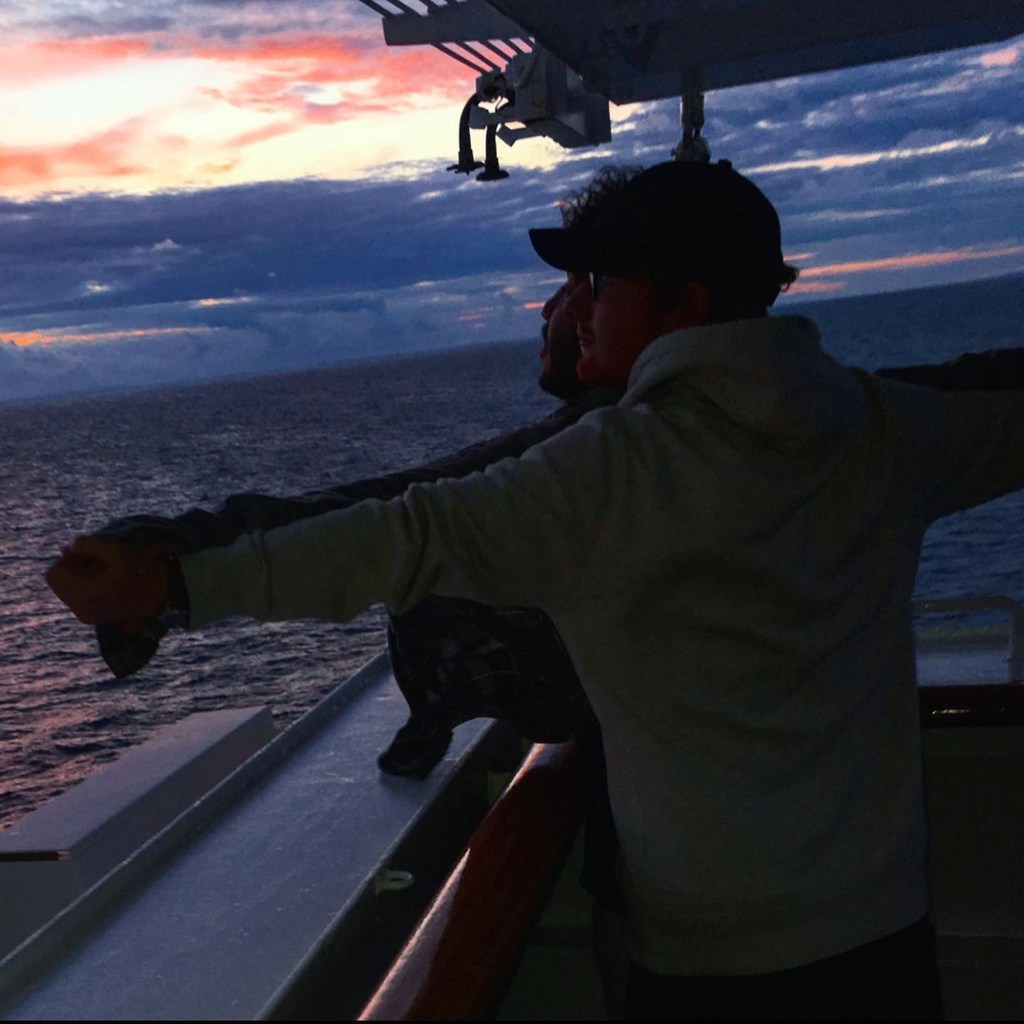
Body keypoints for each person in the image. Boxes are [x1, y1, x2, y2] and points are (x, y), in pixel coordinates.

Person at [47, 159, 1024, 1020]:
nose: (580, 303)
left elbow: (395, 537)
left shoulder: (608, 473)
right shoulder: (890, 429)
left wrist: (172, 581)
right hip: (888, 934)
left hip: (714, 963)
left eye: (599, 282)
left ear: (680, 306)